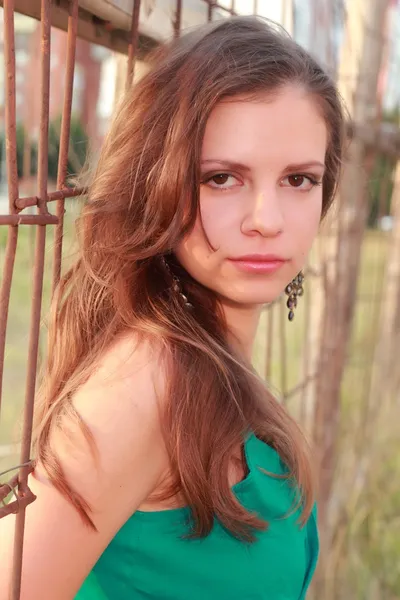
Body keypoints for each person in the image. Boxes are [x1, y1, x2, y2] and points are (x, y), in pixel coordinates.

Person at [0, 15, 345, 600]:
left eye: (299, 180)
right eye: (221, 178)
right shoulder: (148, 381)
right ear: (155, 183)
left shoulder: (212, 361)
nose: (267, 219)